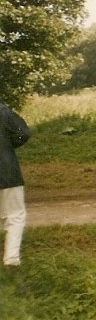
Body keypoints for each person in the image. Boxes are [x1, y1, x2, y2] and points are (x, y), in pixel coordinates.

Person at [1, 102, 31, 267]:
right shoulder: (3, 111)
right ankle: (11, 259)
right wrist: (9, 144)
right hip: (6, 171)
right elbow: (23, 133)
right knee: (14, 215)